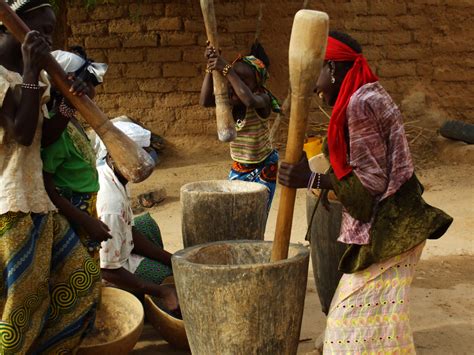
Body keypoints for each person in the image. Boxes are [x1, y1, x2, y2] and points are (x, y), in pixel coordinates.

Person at [278, 31, 453, 353]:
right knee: (383, 324)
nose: (314, 87)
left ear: (331, 67)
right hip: (398, 227)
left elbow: (368, 187)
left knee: (346, 328)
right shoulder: (366, 94)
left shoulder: (360, 104)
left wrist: (313, 179)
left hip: (392, 231)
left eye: (315, 75)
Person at [0, 1, 100, 352]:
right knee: (21, 301)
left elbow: (45, 137)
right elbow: (21, 134)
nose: (47, 38)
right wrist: (30, 71)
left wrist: (69, 105)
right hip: (9, 204)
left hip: (37, 199)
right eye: (39, 29)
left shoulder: (38, 76)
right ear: (10, 27)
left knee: (80, 281)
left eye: (50, 30)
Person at [95, 122, 179, 313]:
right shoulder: (111, 204)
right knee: (166, 278)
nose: (143, 163)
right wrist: (161, 291)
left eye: (145, 154)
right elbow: (107, 269)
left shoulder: (114, 174)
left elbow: (129, 230)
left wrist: (175, 260)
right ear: (112, 156)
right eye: (137, 157)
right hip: (110, 275)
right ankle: (139, 299)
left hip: (119, 246)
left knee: (146, 224)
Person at [41, 48, 111, 264]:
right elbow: (47, 187)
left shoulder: (70, 122)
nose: (93, 91)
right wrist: (85, 221)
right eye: (88, 84)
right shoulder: (57, 131)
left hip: (85, 207)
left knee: (88, 266)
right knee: (77, 269)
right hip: (73, 213)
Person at [200, 41, 281, 210]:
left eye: (242, 80)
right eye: (231, 78)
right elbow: (205, 101)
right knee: (235, 213)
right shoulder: (229, 103)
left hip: (264, 166)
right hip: (239, 167)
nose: (233, 83)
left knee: (258, 215)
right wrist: (211, 68)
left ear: (257, 87)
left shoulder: (262, 99)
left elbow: (249, 100)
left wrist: (228, 69)